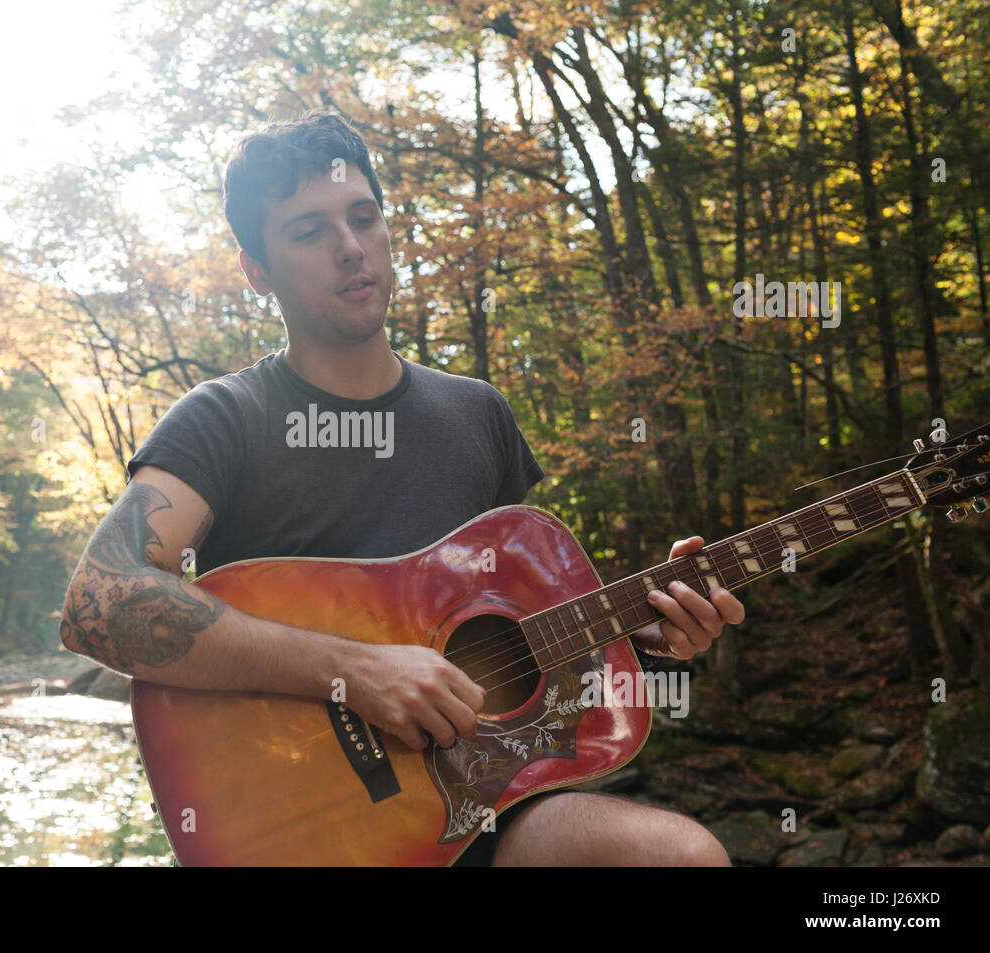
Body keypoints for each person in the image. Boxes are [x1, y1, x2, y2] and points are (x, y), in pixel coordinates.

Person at [59, 110, 745, 866]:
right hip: (305, 826)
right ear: (258, 270)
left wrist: (633, 636)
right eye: (309, 231)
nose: (350, 248)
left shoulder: (477, 414)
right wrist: (355, 674)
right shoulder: (226, 419)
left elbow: (509, 634)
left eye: (363, 217)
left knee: (684, 859)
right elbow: (101, 605)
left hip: (480, 811)